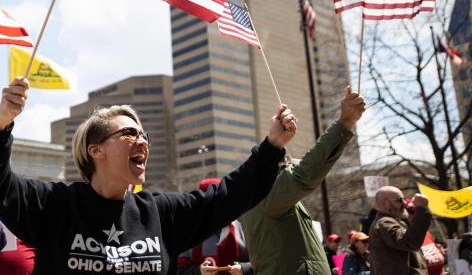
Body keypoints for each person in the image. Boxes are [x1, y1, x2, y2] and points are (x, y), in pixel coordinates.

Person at [0, 77, 297, 273]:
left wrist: (272, 146)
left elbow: (229, 196)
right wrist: (2, 123)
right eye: (129, 133)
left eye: (144, 136)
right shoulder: (55, 206)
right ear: (94, 150)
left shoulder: (160, 212)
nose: (142, 140)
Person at [240, 86, 366, 275]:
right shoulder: (266, 194)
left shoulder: (260, 196)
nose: (293, 164)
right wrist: (344, 122)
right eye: (288, 164)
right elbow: (307, 171)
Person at [179, 179, 251, 274]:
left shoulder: (241, 227)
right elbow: (179, 269)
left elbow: (262, 260)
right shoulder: (189, 233)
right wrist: (199, 271)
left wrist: (244, 268)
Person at [369, 186, 431, 275]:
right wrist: (421, 209)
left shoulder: (395, 221)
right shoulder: (384, 223)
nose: (405, 203)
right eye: (399, 200)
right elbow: (410, 242)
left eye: (404, 199)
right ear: (385, 203)